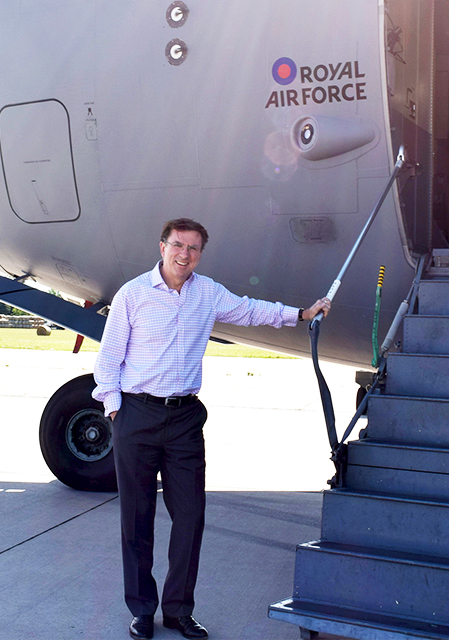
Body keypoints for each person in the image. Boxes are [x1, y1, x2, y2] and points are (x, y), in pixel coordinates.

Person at [92, 218, 331, 640]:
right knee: (137, 519)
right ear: (162, 246)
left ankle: (180, 610)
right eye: (178, 245)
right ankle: (142, 611)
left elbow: (249, 308)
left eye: (194, 248)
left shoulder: (207, 293)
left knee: (191, 518)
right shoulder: (132, 295)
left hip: (184, 419)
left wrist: (300, 314)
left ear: (201, 253)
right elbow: (107, 363)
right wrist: (117, 414)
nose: (185, 254)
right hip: (137, 417)